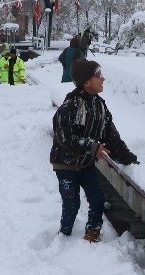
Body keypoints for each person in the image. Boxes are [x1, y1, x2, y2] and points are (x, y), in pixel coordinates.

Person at [50, 59, 139, 243]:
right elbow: (64, 138)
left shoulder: (100, 107)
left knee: (97, 200)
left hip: (85, 164)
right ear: (86, 82)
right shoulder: (71, 106)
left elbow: (111, 137)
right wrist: (91, 146)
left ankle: (93, 231)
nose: (103, 79)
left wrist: (130, 159)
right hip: (65, 165)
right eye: (98, 76)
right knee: (71, 203)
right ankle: (64, 234)